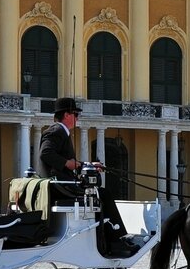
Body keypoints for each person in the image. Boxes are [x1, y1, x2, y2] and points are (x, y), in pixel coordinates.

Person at [39, 97, 136, 258]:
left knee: (98, 193)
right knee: (103, 194)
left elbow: (67, 161)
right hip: (60, 186)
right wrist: (68, 164)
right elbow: (46, 153)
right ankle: (116, 238)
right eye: (76, 114)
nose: (77, 119)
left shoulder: (60, 131)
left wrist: (87, 164)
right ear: (67, 115)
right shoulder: (57, 130)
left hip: (60, 185)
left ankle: (107, 238)